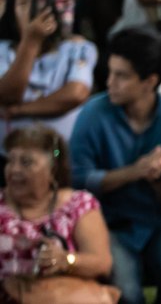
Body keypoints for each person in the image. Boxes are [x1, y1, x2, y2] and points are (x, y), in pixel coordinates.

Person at [69, 28, 161, 304]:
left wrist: (158, 179)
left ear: (150, 81)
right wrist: (135, 172)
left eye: (121, 76)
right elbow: (78, 180)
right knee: (128, 295)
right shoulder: (93, 114)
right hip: (110, 223)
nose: (109, 82)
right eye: (110, 72)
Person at [0, 126, 113, 300]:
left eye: (26, 162)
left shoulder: (78, 204)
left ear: (52, 169)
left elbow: (102, 264)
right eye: (10, 161)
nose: (14, 169)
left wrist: (66, 260)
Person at [0, 0, 95, 151]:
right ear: (12, 13)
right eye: (24, 3)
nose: (34, 9)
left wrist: (19, 110)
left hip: (59, 155)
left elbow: (76, 94)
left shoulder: (77, 48)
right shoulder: (2, 50)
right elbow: (7, 95)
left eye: (41, 0)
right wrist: (31, 43)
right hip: (8, 156)